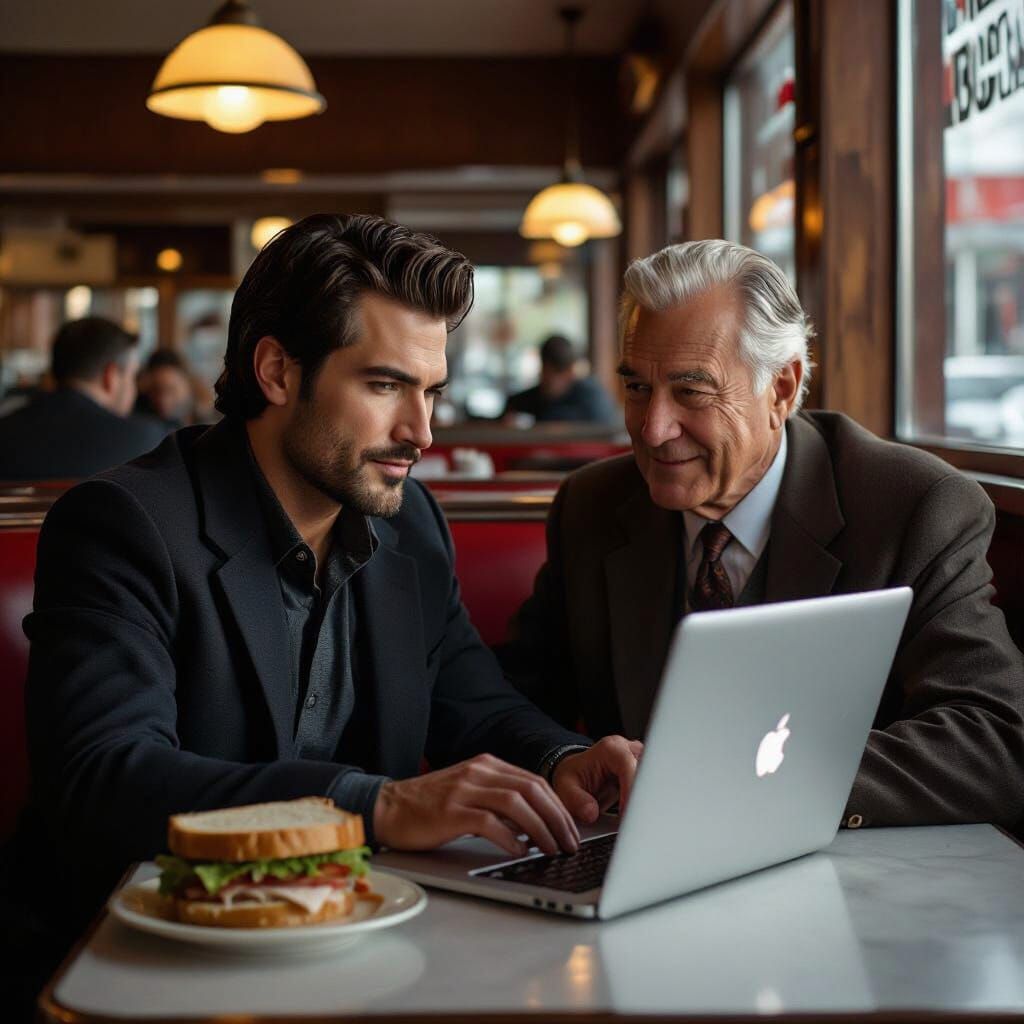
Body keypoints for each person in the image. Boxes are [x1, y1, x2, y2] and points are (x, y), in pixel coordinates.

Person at [3, 214, 639, 1013]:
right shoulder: (126, 525)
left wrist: (560, 761)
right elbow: (104, 779)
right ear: (276, 369)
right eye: (384, 386)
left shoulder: (411, 525)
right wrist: (375, 805)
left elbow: (472, 700)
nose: (422, 431)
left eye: (431, 391)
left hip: (359, 951)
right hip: (144, 964)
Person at [500, 239, 1024, 833]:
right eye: (638, 388)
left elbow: (995, 742)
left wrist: (750, 778)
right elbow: (510, 702)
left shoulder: (913, 507)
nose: (652, 427)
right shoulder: (592, 507)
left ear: (780, 388)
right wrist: (564, 758)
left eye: (691, 391)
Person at [0, 317, 167, 480]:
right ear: (111, 377)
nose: (135, 388)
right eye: (132, 376)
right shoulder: (145, 442)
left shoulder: (5, 432)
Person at [503, 334, 619, 424]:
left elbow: (606, 430)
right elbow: (505, 417)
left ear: (571, 372)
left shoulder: (593, 398)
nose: (551, 379)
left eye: (557, 372)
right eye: (546, 372)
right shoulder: (525, 400)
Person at [134, 348, 195, 430]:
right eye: (155, 390)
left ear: (188, 385)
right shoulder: (138, 417)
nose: (163, 400)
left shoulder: (207, 420)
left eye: (171, 390)